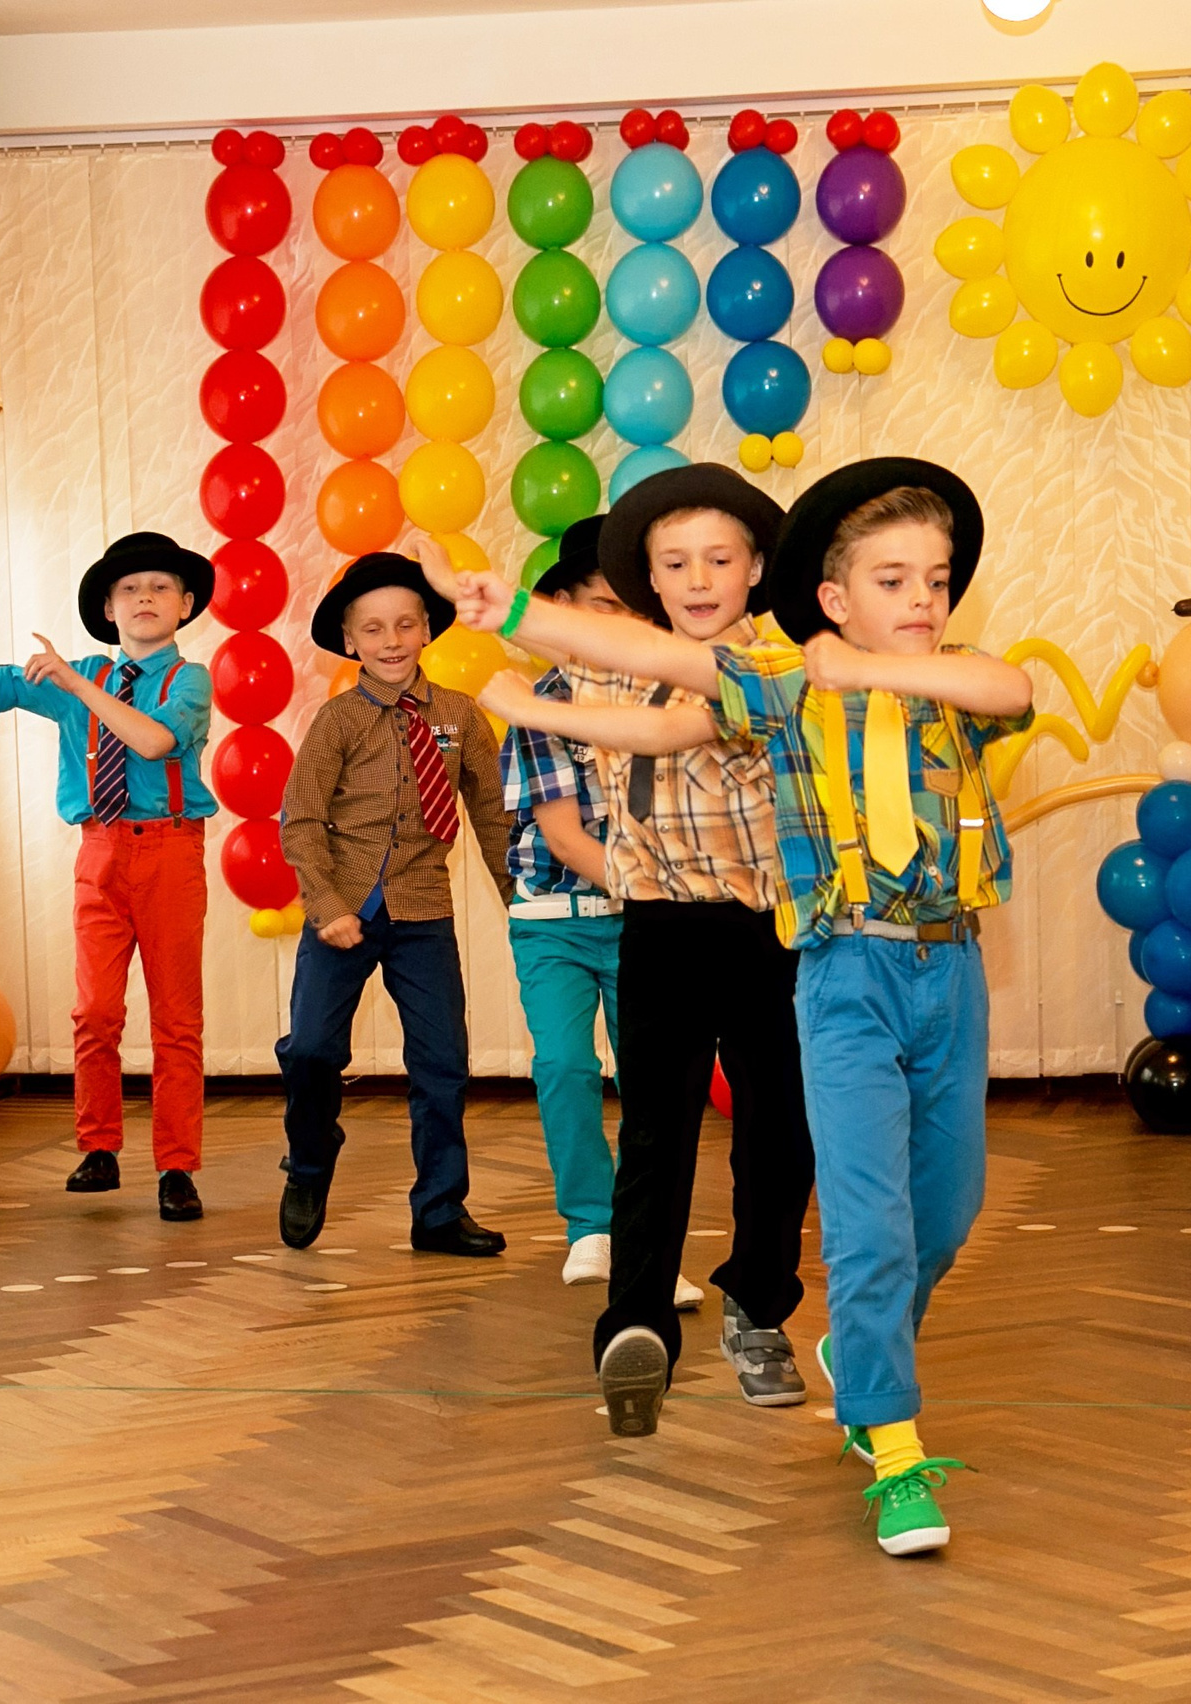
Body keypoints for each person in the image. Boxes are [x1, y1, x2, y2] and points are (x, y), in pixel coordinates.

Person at [472, 458, 1035, 1560]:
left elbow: (1009, 688)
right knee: (866, 1224)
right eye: (891, 579)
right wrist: (522, 621)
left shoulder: (954, 685)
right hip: (840, 975)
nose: (922, 598)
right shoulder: (784, 689)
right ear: (830, 597)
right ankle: (894, 1444)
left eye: (936, 578)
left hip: (950, 971)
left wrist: (883, 669)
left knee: (949, 1209)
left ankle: (863, 1357)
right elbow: (654, 661)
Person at [430, 464, 814, 1435]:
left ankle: (758, 1306)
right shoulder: (611, 655)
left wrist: (536, 702)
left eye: (719, 558)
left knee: (779, 1138)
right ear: (645, 578)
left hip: (771, 933)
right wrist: (494, 610)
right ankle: (633, 1323)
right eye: (672, 561)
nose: (697, 578)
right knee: (656, 1136)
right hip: (660, 928)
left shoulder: (778, 664)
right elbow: (572, 641)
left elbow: (661, 723)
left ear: (755, 566)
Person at [0, 532, 216, 1222]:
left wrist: (75, 682)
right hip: (99, 853)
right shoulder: (85, 676)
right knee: (96, 1010)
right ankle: (98, 1146)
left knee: (175, 1017)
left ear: (185, 605)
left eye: (161, 587)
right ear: (108, 608)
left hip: (169, 852)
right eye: (129, 589)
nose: (144, 598)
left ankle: (176, 1166)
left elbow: (155, 740)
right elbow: (0, 675)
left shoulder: (188, 680)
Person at [276, 550, 513, 1258]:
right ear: (350, 641)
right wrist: (327, 906)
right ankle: (310, 1160)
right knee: (314, 1048)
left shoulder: (461, 718)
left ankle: (439, 1210)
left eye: (404, 625)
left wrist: (517, 902)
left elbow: (493, 816)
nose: (391, 641)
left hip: (422, 915)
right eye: (373, 629)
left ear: (426, 631)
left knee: (443, 1064)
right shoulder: (337, 722)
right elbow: (301, 820)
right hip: (343, 913)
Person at [499, 518, 697, 1308]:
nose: (612, 626)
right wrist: (644, 879)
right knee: (566, 1065)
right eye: (596, 608)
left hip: (643, 920)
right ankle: (590, 1227)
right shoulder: (539, 707)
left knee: (656, 1081)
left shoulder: (670, 703)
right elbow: (562, 833)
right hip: (554, 918)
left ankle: (649, 1244)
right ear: (561, 613)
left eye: (627, 610)